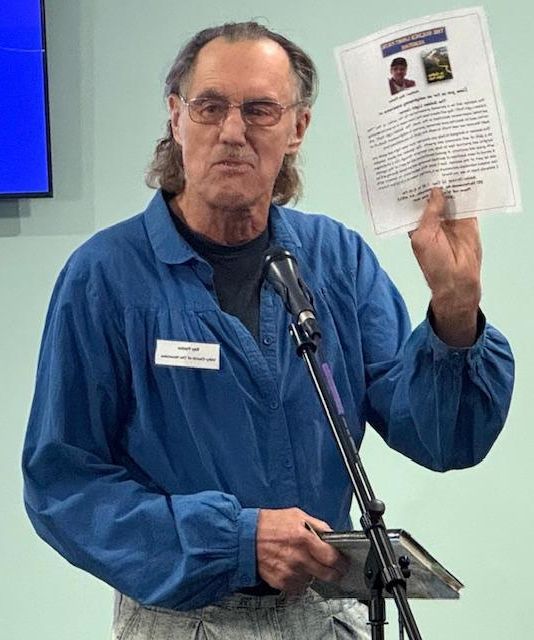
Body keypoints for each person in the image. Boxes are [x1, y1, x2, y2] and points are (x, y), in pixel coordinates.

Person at [22, 21, 514, 640]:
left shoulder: (336, 260)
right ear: (176, 117)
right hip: (182, 620)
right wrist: (235, 540)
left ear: (297, 128)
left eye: (259, 110)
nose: (232, 131)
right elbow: (64, 485)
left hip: (325, 615)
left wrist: (455, 308)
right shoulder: (107, 276)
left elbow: (441, 438)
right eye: (210, 107)